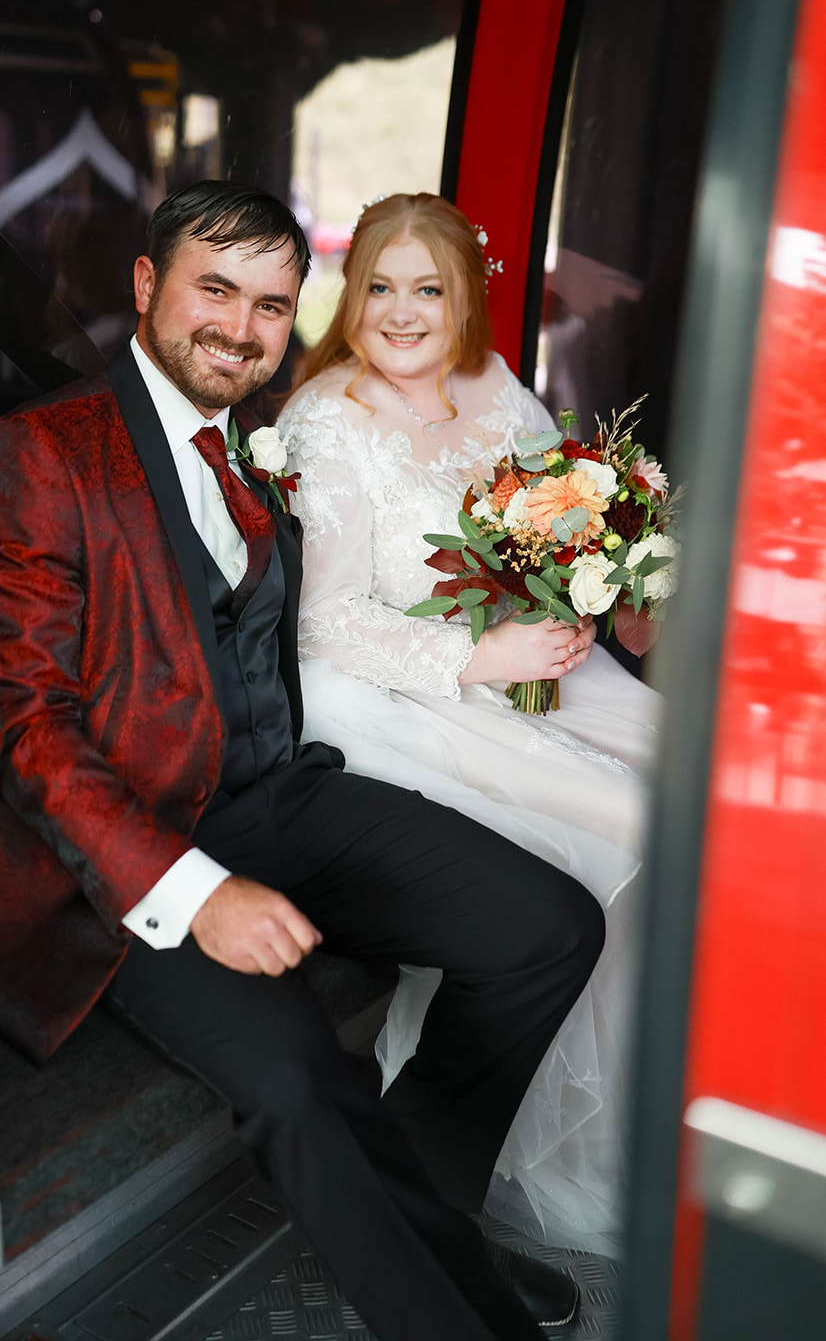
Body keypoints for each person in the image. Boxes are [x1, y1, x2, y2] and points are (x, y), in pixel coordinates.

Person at [0, 182, 606, 1341]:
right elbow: (27, 733)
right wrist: (198, 895)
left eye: (270, 305)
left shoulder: (252, 439)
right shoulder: (39, 453)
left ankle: (425, 1221)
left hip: (273, 791)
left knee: (550, 927)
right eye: (215, 290)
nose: (240, 328)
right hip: (123, 866)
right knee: (301, 1080)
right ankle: (453, 1310)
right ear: (146, 287)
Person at [278, 192, 662, 1255]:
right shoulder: (325, 419)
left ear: (466, 300)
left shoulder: (497, 389)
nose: (401, 313)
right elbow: (323, 617)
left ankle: (669, 1101)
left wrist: (604, 587)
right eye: (379, 287)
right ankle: (545, 1144)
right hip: (396, 689)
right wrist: (474, 657)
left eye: (428, 289)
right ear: (352, 296)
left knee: (702, 782)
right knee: (630, 823)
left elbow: (561, 520)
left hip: (525, 659)